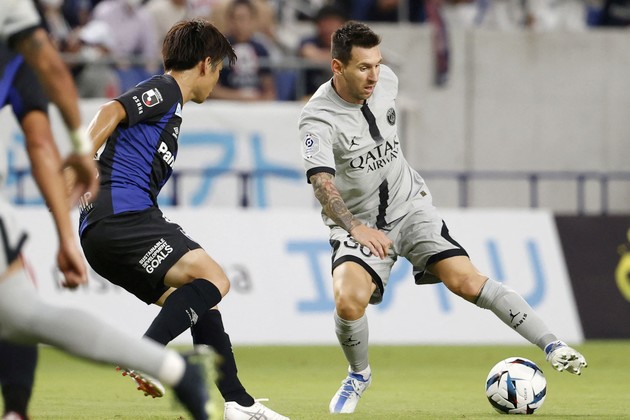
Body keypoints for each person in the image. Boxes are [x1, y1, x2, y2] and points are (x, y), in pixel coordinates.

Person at [297, 21, 588, 415]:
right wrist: (355, 227)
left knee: (467, 281)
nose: (374, 76)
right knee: (348, 302)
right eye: (363, 67)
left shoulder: (387, 83)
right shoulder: (317, 119)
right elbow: (322, 183)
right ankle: (359, 374)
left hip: (410, 208)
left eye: (378, 64)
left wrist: (552, 344)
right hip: (360, 224)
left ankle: (552, 344)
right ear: (337, 66)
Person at [0, 4, 215, 419]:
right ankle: (165, 365)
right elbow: (51, 129)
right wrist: (79, 162)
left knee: (18, 314)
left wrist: (68, 226)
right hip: (119, 217)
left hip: (102, 221)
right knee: (22, 314)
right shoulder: (21, 60)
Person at [78, 18, 289, 420]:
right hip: (123, 217)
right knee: (215, 279)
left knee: (199, 300)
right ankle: (146, 355)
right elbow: (111, 109)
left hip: (102, 232)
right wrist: (77, 161)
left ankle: (239, 404)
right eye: (220, 69)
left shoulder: (170, 105)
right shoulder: (166, 89)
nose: (217, 78)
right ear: (206, 64)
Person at [209, 0, 276, 101]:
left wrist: (257, 99)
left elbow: (270, 91)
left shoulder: (261, 49)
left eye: (243, 18)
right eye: (234, 18)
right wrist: (240, 96)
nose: (238, 23)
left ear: (252, 20)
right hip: (225, 106)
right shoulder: (218, 48)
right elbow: (211, 90)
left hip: (256, 107)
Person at [297, 4, 347, 99]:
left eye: (333, 23)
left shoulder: (350, 43)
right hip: (310, 95)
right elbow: (308, 53)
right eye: (325, 22)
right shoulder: (308, 41)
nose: (328, 27)